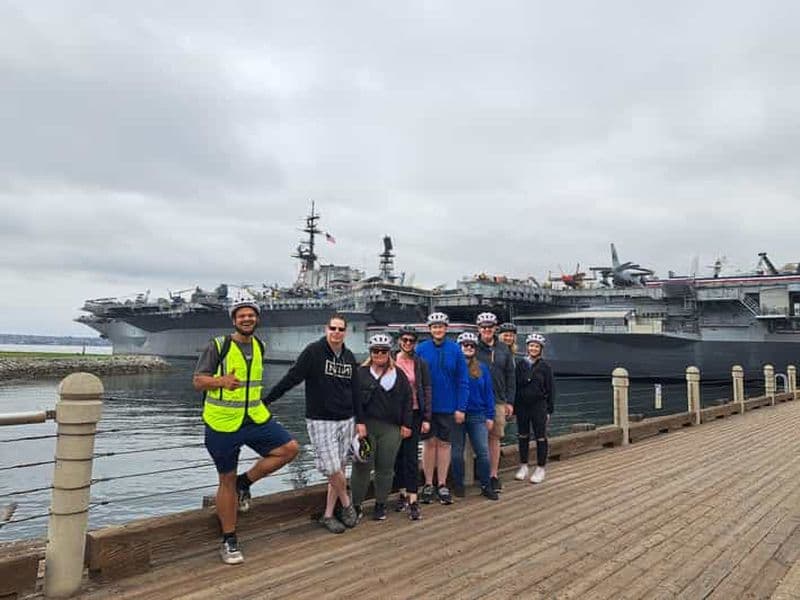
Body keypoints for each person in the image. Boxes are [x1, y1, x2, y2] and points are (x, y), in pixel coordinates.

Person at [193, 300, 300, 564]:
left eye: (251, 315)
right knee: (225, 480)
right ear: (234, 320)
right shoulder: (218, 346)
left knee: (290, 449)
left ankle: (245, 482)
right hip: (223, 422)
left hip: (253, 417)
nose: (247, 319)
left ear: (257, 319)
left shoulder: (259, 346)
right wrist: (221, 381)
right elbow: (198, 381)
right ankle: (229, 540)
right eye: (242, 316)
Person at [264, 314, 362, 534]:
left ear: (345, 332)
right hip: (321, 419)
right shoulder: (313, 351)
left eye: (340, 329)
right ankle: (347, 504)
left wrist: (360, 421)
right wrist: (268, 399)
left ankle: (328, 515)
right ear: (326, 329)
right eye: (333, 328)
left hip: (346, 419)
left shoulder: (348, 356)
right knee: (332, 468)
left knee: (340, 467)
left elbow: (355, 391)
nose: (336, 332)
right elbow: (293, 377)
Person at [351, 334, 414, 521]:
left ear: (389, 353)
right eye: (375, 351)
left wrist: (406, 424)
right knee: (361, 467)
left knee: (385, 468)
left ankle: (380, 504)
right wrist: (358, 422)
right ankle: (356, 504)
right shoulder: (360, 374)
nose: (379, 354)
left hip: (391, 428)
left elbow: (407, 401)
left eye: (384, 351)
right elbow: (353, 401)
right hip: (366, 427)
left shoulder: (398, 375)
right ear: (370, 353)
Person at [415, 312, 469, 506]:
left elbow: (463, 381)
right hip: (427, 408)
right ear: (429, 329)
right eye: (434, 326)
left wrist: (461, 407)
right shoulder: (421, 349)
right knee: (429, 445)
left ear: (446, 328)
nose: (438, 329)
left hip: (448, 407)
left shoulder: (455, 350)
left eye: (441, 326)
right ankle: (428, 483)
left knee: (445, 445)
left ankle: (442, 483)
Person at [450, 332, 498, 500]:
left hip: (478, 414)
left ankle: (486, 485)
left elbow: (489, 394)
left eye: (471, 345)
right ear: (459, 347)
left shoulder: (483, 368)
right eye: (465, 345)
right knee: (456, 451)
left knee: (483, 451)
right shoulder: (453, 367)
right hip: (457, 415)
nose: (468, 347)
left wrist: (490, 416)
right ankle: (458, 484)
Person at [392, 325, 432, 521]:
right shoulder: (390, 359)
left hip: (415, 413)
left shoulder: (420, 363)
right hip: (393, 415)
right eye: (404, 340)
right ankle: (402, 494)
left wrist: (426, 417)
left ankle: (413, 499)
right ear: (399, 341)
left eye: (411, 340)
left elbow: (426, 389)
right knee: (397, 457)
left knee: (410, 457)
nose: (407, 343)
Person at [474, 312, 516, 494]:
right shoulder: (471, 347)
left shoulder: (503, 349)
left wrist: (510, 401)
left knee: (495, 439)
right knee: (475, 440)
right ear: (479, 329)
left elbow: (510, 376)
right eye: (483, 327)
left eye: (490, 327)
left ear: (495, 328)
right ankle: (476, 475)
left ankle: (493, 475)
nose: (487, 330)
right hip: (477, 401)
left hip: (498, 400)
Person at [514, 333, 555, 484]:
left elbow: (551, 388)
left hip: (539, 405)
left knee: (540, 436)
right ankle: (523, 465)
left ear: (541, 349)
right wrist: (514, 406)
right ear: (527, 347)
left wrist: (550, 409)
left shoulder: (545, 367)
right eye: (531, 345)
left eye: (536, 346)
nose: (533, 348)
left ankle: (540, 467)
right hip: (522, 405)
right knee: (523, 435)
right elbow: (515, 386)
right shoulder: (520, 365)